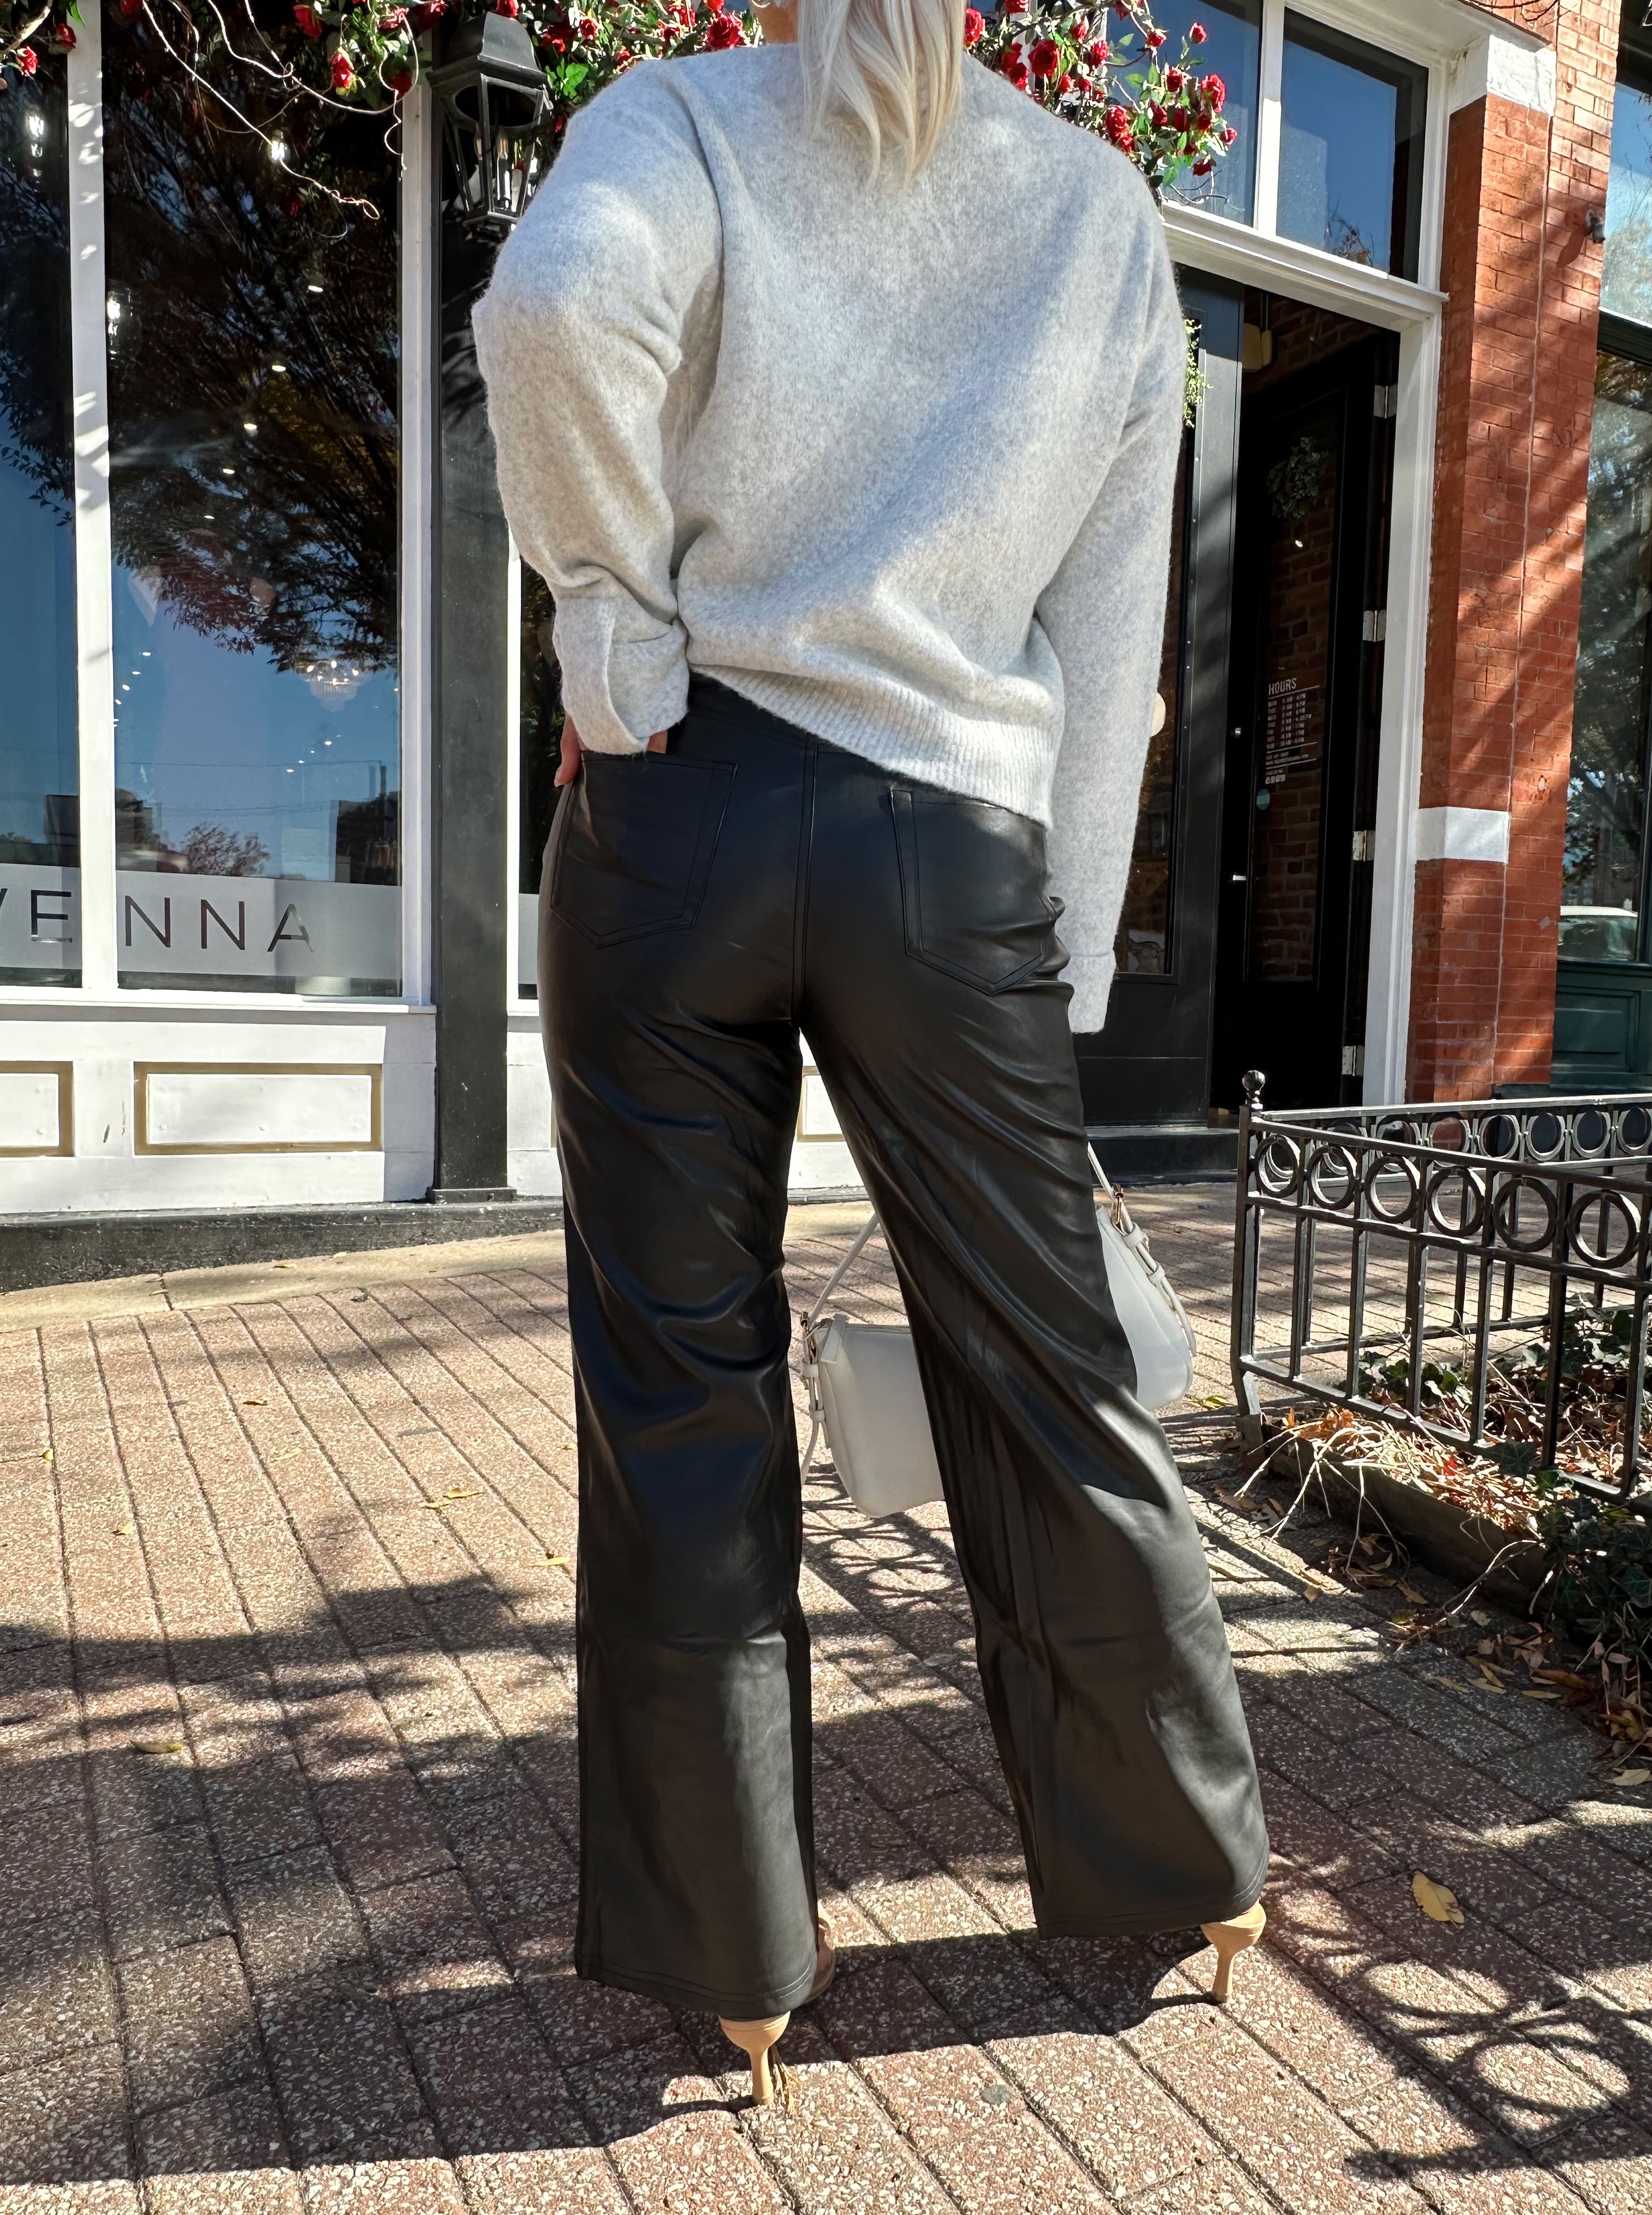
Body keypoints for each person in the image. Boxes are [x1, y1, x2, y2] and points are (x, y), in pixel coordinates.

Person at [473, 0, 1269, 2107]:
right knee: (1046, 1372)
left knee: (679, 1389)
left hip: (679, 808)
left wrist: (610, 626)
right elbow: (1119, 642)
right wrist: (1066, 948)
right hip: (949, 849)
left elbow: (553, 303)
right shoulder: (1098, 211)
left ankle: (730, 1966)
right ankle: (1177, 1872)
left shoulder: (686, 116)